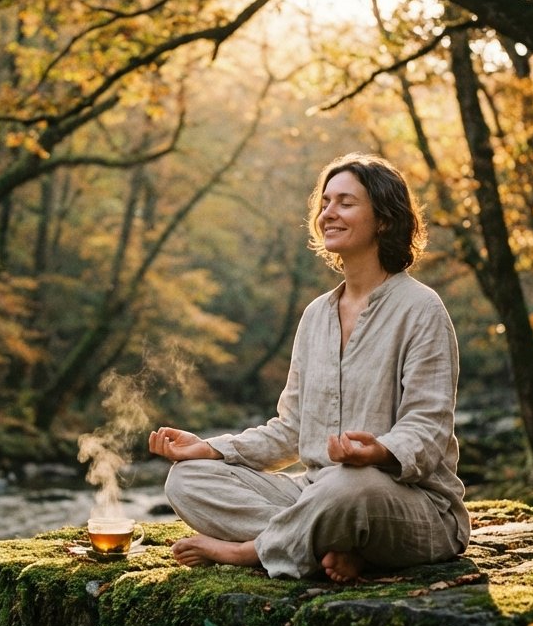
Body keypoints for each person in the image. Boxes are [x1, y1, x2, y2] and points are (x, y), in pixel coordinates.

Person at [148, 152, 470, 582]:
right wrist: (210, 449)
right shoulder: (317, 315)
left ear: (384, 220)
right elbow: (291, 430)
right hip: (317, 494)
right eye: (325, 202)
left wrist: (377, 452)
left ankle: (252, 551)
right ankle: (333, 546)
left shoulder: (421, 308)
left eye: (345, 203)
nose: (328, 213)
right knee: (187, 480)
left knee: (349, 486)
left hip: (407, 503)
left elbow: (427, 429)